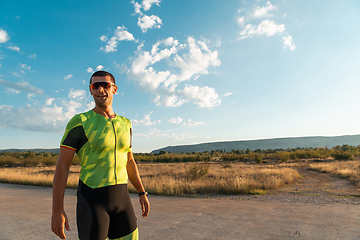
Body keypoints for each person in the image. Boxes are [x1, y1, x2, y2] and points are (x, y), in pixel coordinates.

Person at [51, 70, 149, 240]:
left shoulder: (126, 124)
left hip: (123, 201)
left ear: (114, 89)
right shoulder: (80, 121)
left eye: (106, 85)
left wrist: (142, 193)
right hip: (92, 201)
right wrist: (57, 210)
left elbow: (129, 161)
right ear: (91, 90)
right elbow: (62, 166)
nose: (101, 89)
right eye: (96, 86)